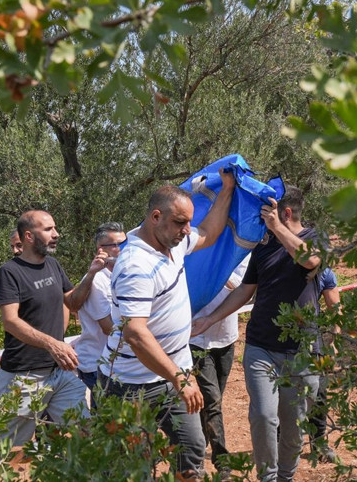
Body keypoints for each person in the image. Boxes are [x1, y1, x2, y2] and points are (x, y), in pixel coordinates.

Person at [99, 173, 235, 479]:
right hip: (129, 387)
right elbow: (135, 333)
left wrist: (227, 190)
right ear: (156, 217)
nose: (186, 230)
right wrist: (181, 378)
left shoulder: (172, 242)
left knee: (191, 450)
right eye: (180, 223)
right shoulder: (135, 264)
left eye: (188, 222)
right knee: (135, 468)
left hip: (173, 375)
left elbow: (209, 233)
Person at [192, 185, 325, 482]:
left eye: (269, 212)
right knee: (264, 416)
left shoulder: (315, 238)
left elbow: (310, 262)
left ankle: (285, 478)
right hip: (261, 347)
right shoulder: (263, 247)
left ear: (285, 212)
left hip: (302, 349)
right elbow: (245, 290)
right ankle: (268, 477)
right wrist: (210, 318)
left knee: (294, 426)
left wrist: (277, 228)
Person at [0, 209, 106, 447]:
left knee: (86, 432)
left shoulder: (53, 265)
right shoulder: (10, 272)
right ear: (29, 237)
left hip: (58, 373)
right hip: (22, 378)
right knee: (5, 452)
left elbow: (73, 302)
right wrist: (53, 343)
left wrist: (92, 274)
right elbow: (10, 321)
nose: (56, 234)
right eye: (48, 229)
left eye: (54, 228)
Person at [189, 254, 250, 476]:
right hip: (195, 338)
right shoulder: (193, 249)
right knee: (212, 399)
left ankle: (195, 449)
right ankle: (221, 461)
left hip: (226, 337)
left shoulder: (237, 250)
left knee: (212, 401)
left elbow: (240, 285)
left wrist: (213, 267)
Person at [73, 222, 124, 401]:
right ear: (101, 249)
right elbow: (108, 327)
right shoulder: (96, 280)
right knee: (107, 422)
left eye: (125, 243)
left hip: (115, 364)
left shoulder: (123, 275)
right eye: (117, 245)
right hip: (97, 365)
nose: (123, 249)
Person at [308, 268, 340, 463]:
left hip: (312, 339)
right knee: (282, 392)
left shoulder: (325, 272)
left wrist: (333, 343)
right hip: (279, 341)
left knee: (319, 393)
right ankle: (279, 442)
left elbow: (335, 310)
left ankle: (318, 443)